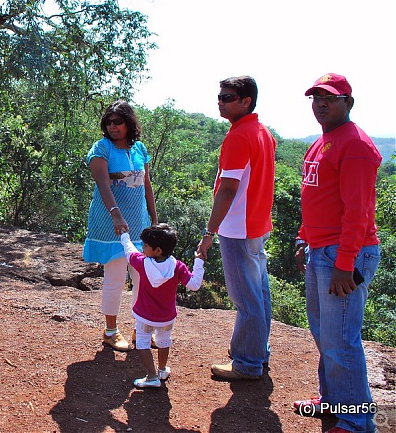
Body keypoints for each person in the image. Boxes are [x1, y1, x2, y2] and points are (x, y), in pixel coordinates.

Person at [292, 73, 381, 433]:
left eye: (329, 98)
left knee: (342, 338)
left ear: (349, 102)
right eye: (316, 98)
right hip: (321, 250)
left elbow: (358, 212)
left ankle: (357, 421)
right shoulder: (324, 141)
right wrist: (303, 239)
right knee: (324, 334)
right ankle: (333, 402)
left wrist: (345, 263)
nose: (321, 104)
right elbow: (314, 197)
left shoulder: (355, 145)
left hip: (346, 255)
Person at [196, 76, 276, 380]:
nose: (220, 101)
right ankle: (257, 350)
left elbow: (227, 190)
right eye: (220, 96)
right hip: (256, 224)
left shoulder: (239, 136)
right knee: (258, 292)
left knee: (246, 297)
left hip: (238, 228)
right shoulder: (262, 132)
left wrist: (209, 233)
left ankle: (247, 363)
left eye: (228, 97)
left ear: (246, 101)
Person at [82, 100, 158, 352]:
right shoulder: (101, 149)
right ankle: (111, 331)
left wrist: (154, 220)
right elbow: (103, 184)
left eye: (118, 122)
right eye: (108, 122)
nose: (112, 126)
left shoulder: (140, 149)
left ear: (129, 123)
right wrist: (115, 214)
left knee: (142, 278)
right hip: (111, 224)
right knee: (115, 278)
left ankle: (142, 330)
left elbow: (147, 186)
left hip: (139, 224)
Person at [122, 224, 205, 388]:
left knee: (143, 343)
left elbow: (129, 251)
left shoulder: (142, 263)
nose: (142, 248)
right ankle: (161, 370)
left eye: (145, 245)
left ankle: (151, 377)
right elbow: (194, 285)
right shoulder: (178, 266)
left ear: (158, 250)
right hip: (167, 317)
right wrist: (199, 261)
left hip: (145, 316)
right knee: (164, 341)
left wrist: (124, 235)